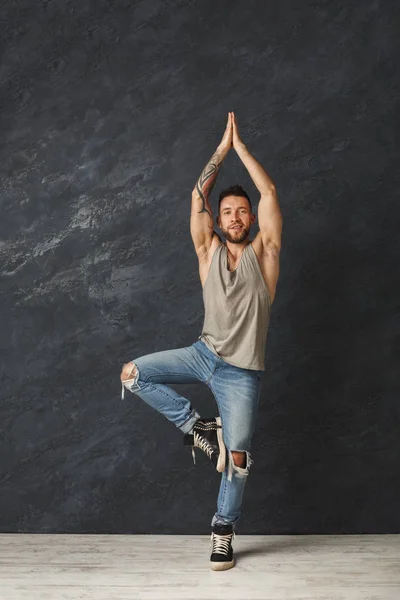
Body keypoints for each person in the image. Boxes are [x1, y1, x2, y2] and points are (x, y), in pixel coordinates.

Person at [120, 112, 282, 571]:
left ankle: (222, 529)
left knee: (238, 455)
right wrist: (219, 150)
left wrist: (242, 149)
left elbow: (268, 193)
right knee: (133, 374)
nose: (234, 217)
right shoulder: (207, 250)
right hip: (202, 355)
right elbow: (197, 197)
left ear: (250, 218)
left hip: (241, 373)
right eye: (226, 211)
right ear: (218, 218)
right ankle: (197, 427)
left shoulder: (264, 255)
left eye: (241, 211)